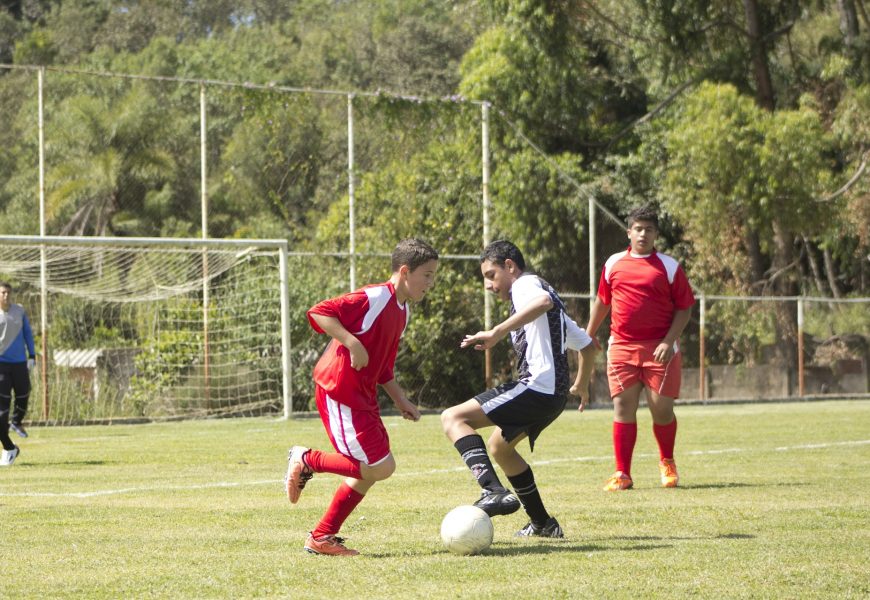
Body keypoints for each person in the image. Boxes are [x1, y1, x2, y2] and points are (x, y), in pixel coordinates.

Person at [284, 238, 439, 556]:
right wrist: (351, 342)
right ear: (406, 271)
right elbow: (319, 312)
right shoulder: (375, 296)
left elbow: (383, 366)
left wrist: (400, 400)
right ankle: (306, 459)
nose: (431, 282)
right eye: (428, 274)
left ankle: (322, 536)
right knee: (379, 466)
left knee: (371, 470)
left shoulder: (402, 312)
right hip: (339, 389)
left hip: (362, 397)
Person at [441, 240, 597, 538]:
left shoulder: (526, 285)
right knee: (500, 448)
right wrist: (581, 385)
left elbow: (542, 303)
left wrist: (497, 332)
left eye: (490, 275)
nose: (488, 285)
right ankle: (543, 524)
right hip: (553, 397)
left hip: (537, 388)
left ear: (510, 267)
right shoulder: (549, 301)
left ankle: (493, 491)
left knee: (453, 418)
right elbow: (589, 347)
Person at [586, 205, 695, 491]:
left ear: (656, 234)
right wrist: (588, 334)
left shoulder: (669, 267)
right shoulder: (613, 264)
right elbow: (603, 302)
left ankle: (667, 461)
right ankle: (622, 473)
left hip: (660, 349)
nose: (643, 234)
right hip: (621, 347)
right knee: (623, 407)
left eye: (648, 229)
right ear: (629, 232)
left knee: (661, 410)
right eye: (638, 229)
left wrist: (668, 342)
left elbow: (684, 309)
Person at [0, 282, 36, 467]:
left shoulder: (19, 311)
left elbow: (28, 333)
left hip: (20, 363)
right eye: (2, 293)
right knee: (1, 410)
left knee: (24, 394)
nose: (5, 296)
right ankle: (8, 448)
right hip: (1, 366)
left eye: (8, 292)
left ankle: (16, 422)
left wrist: (32, 355)